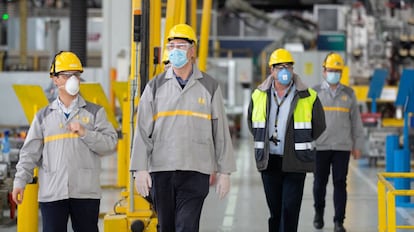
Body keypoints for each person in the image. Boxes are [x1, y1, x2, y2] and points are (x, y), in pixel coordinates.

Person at [130, 23, 236, 232]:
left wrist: (225, 172)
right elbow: (142, 131)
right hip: (162, 169)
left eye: (181, 45)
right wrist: (139, 169)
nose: (176, 50)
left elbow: (220, 132)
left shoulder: (209, 86)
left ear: (192, 51)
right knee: (166, 227)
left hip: (196, 169)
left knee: (187, 226)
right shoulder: (154, 86)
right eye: (171, 46)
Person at [12, 51, 118, 232]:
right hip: (53, 193)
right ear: (55, 79)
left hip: (85, 192)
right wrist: (19, 182)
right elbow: (29, 153)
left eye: (76, 75)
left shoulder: (94, 113)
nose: (73, 79)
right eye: (66, 75)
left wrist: (85, 133)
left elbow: (110, 144)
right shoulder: (43, 117)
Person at [247, 48, 326, 232]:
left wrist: (299, 140)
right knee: (275, 212)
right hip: (269, 162)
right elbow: (252, 124)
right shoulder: (258, 95)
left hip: (296, 161)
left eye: (288, 66)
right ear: (271, 70)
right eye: (280, 67)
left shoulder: (308, 96)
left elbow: (319, 125)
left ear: (293, 69)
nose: (285, 71)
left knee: (290, 210)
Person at [312, 52, 364, 232]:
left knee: (340, 183)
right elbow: (307, 121)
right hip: (320, 146)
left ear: (341, 72)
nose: (334, 73)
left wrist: (358, 146)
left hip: (342, 147)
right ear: (324, 71)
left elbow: (356, 122)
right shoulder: (314, 92)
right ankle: (318, 213)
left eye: (337, 70)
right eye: (331, 70)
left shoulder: (349, 94)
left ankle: (338, 221)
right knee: (319, 183)